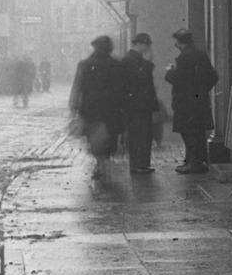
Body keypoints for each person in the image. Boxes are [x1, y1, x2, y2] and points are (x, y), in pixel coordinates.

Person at [69, 35, 125, 184]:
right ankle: (103, 162)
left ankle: (100, 163)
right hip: (111, 109)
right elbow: (123, 88)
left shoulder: (85, 64)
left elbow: (77, 86)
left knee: (93, 137)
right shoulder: (116, 65)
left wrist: (74, 106)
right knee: (110, 137)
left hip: (90, 108)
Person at [165, 27, 220, 173]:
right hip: (199, 101)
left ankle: (193, 163)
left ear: (179, 43)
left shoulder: (184, 58)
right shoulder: (201, 55)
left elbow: (178, 79)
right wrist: (201, 90)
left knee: (188, 132)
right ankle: (196, 161)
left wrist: (169, 71)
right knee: (198, 132)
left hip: (185, 103)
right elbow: (213, 76)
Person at [121, 34, 163, 174]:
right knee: (138, 135)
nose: (148, 48)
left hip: (141, 104)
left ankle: (142, 164)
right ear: (139, 44)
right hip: (136, 105)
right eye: (147, 45)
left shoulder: (135, 59)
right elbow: (139, 78)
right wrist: (148, 63)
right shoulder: (130, 60)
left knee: (144, 135)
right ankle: (138, 164)